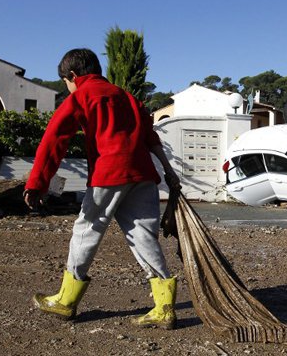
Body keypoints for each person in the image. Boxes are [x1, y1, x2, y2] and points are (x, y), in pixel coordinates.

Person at [24, 48, 181, 329]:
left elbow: (53, 139)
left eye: (66, 83)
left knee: (86, 231)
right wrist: (168, 171)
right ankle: (164, 307)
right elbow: (150, 136)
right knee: (144, 236)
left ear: (73, 76)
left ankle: (65, 301)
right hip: (143, 174)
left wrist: (37, 183)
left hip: (108, 174)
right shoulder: (127, 96)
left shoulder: (83, 95)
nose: (68, 88)